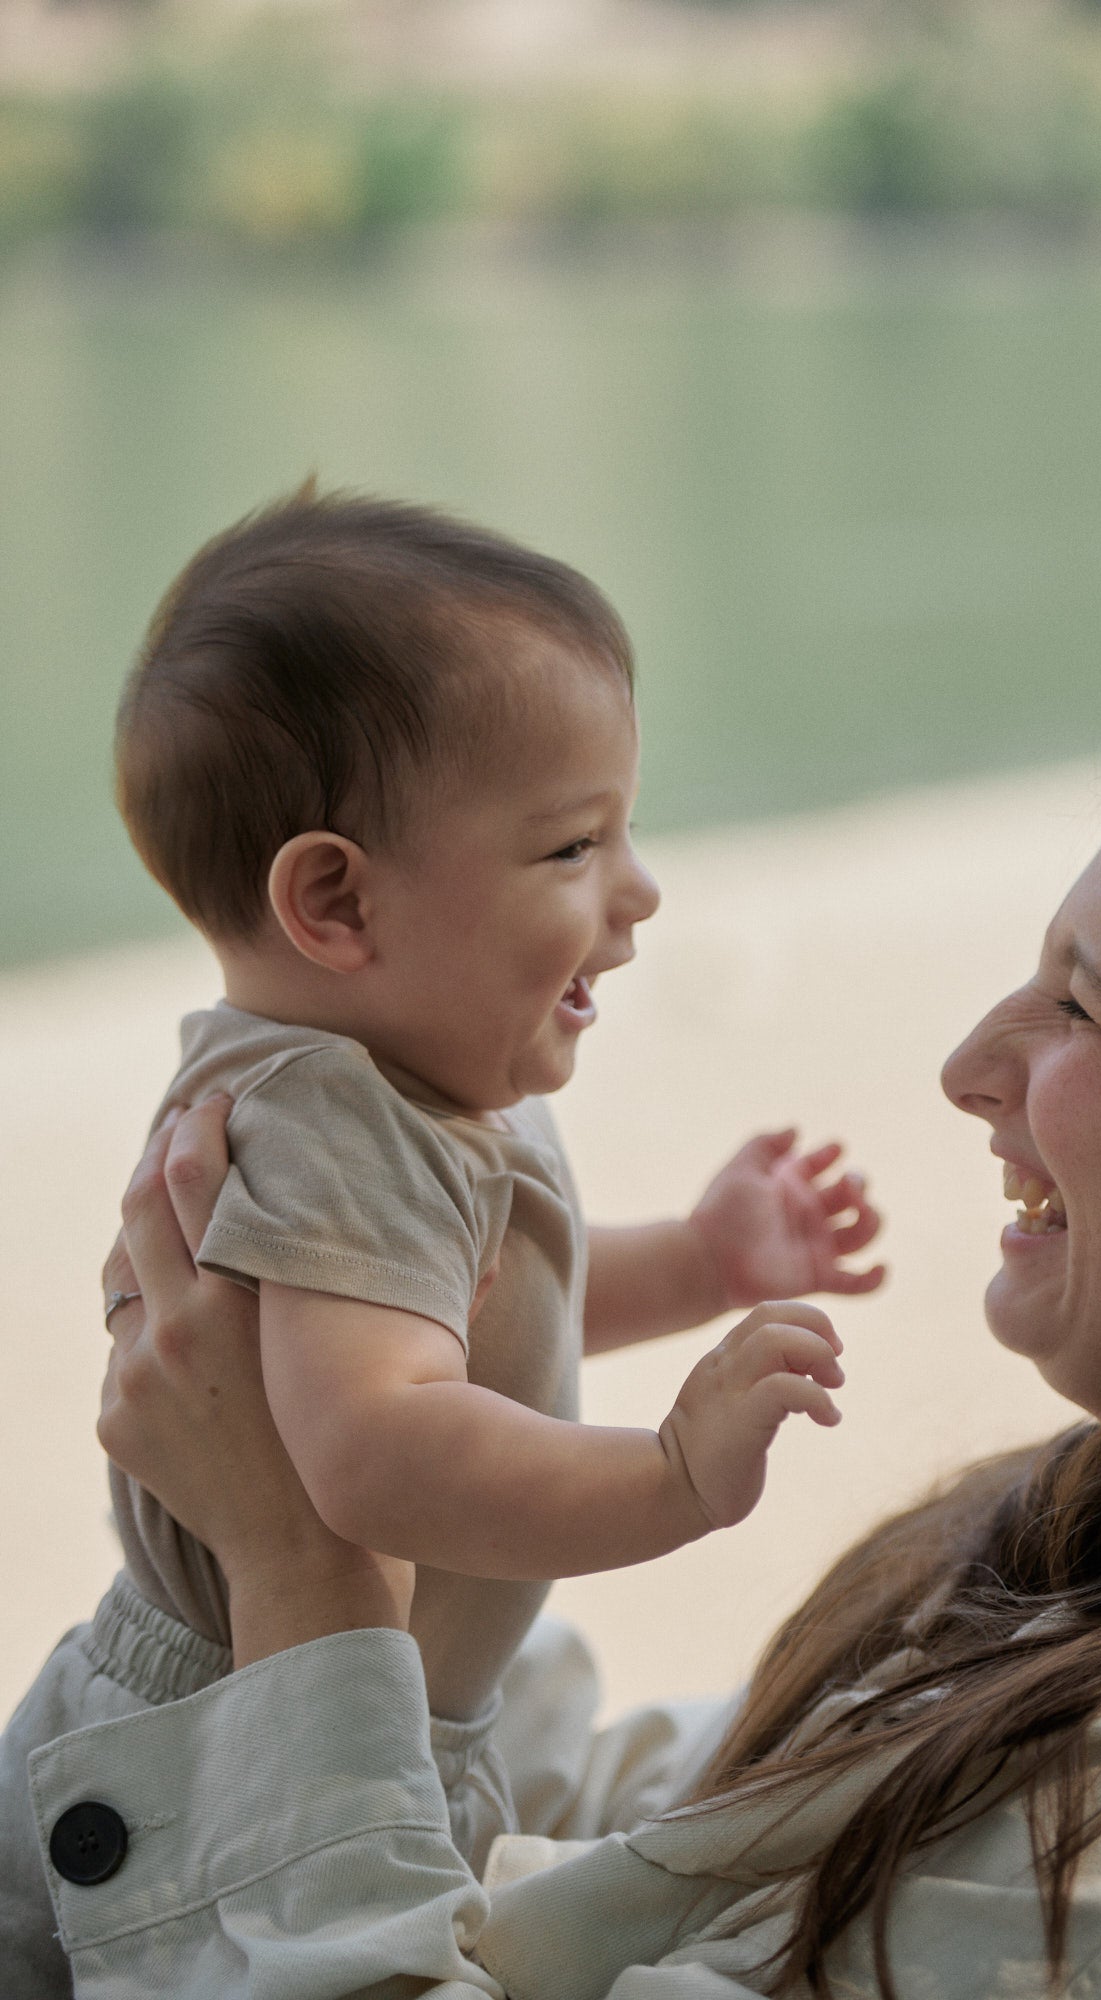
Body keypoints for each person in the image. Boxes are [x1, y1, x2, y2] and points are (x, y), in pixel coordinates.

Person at [26, 711, 1101, 1997]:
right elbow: (661, 1847)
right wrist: (372, 1390)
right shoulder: (1097, 1553)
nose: (966, 1067)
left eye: (1080, 1005)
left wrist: (297, 1568)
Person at [0, 490, 884, 1994]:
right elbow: (375, 1448)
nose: (640, 889)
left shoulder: (412, 1086)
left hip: (335, 1704)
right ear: (336, 899)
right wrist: (661, 1477)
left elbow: (480, 1316)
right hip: (218, 1745)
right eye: (569, 847)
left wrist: (703, 1260)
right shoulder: (326, 1118)